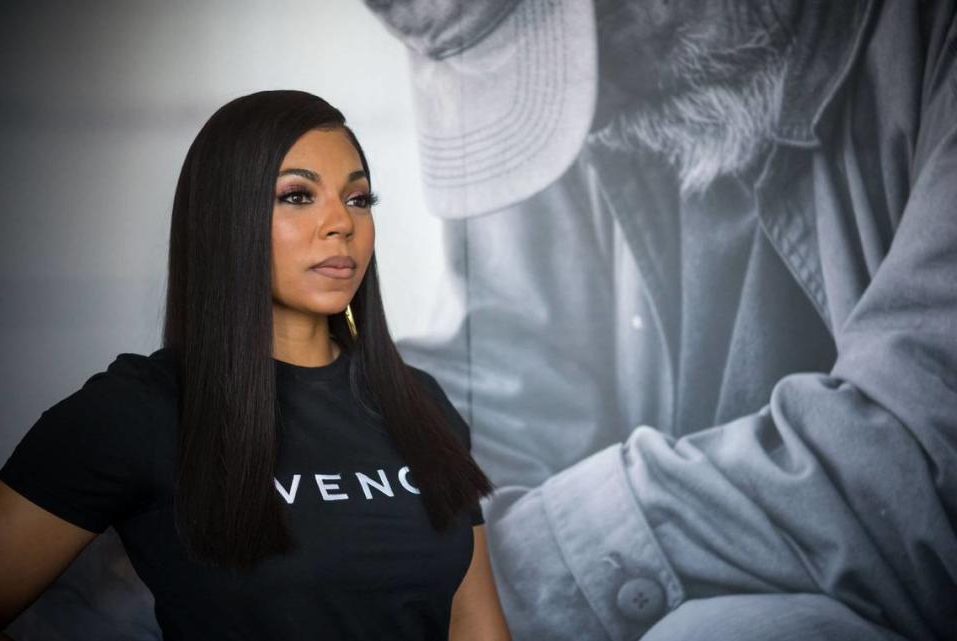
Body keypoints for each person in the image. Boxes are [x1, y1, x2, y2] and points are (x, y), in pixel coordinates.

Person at [365, 0, 957, 639]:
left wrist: (525, 564)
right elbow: (510, 375)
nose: (581, 119)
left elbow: (922, 459)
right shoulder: (570, 91)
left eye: (569, 51)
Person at [0, 90, 511, 641]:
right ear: (227, 218)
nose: (341, 223)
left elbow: (472, 621)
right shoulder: (138, 411)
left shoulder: (420, 403)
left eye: (359, 199)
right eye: (297, 195)